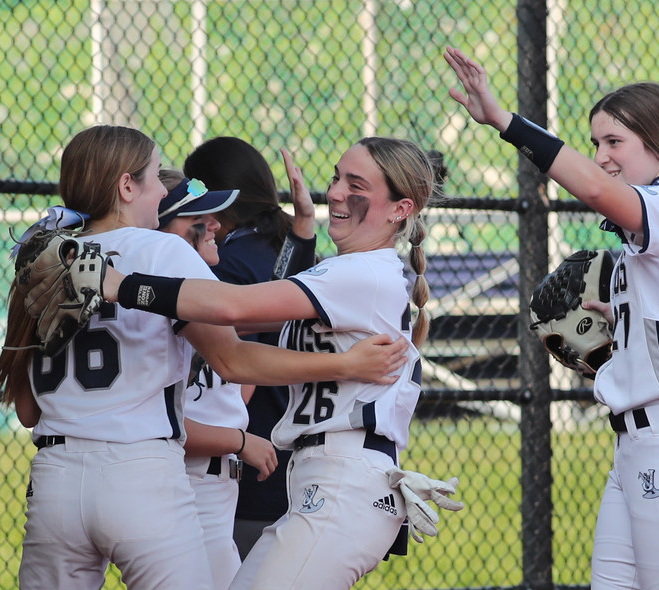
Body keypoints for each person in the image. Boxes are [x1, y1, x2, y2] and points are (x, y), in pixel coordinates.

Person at [0, 125, 409, 590]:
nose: (163, 194)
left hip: (54, 480)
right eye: (153, 179)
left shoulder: (44, 256)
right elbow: (232, 360)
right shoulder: (162, 248)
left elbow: (27, 411)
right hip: (140, 470)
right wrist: (343, 365)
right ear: (127, 186)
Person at [444, 47, 659, 588]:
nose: (602, 155)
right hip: (644, 447)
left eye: (615, 141)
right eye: (596, 142)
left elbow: (591, 187)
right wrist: (635, 325)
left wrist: (503, 120)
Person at [99, 136, 436, 590]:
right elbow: (243, 350)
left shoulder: (364, 272)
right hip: (328, 482)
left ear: (400, 209)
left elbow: (234, 306)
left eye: (356, 184)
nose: (335, 192)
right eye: (337, 177)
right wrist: (301, 229)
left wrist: (123, 285)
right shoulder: (352, 270)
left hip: (345, 483)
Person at [182, 137, 317, 558]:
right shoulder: (285, 246)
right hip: (293, 453)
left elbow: (238, 372)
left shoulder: (230, 260)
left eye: (193, 194)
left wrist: (236, 439)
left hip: (247, 459)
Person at [156, 167, 277, 589]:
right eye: (197, 220)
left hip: (215, 480)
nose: (216, 226)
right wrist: (240, 441)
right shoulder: (170, 296)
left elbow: (236, 372)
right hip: (192, 481)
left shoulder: (199, 286)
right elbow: (164, 423)